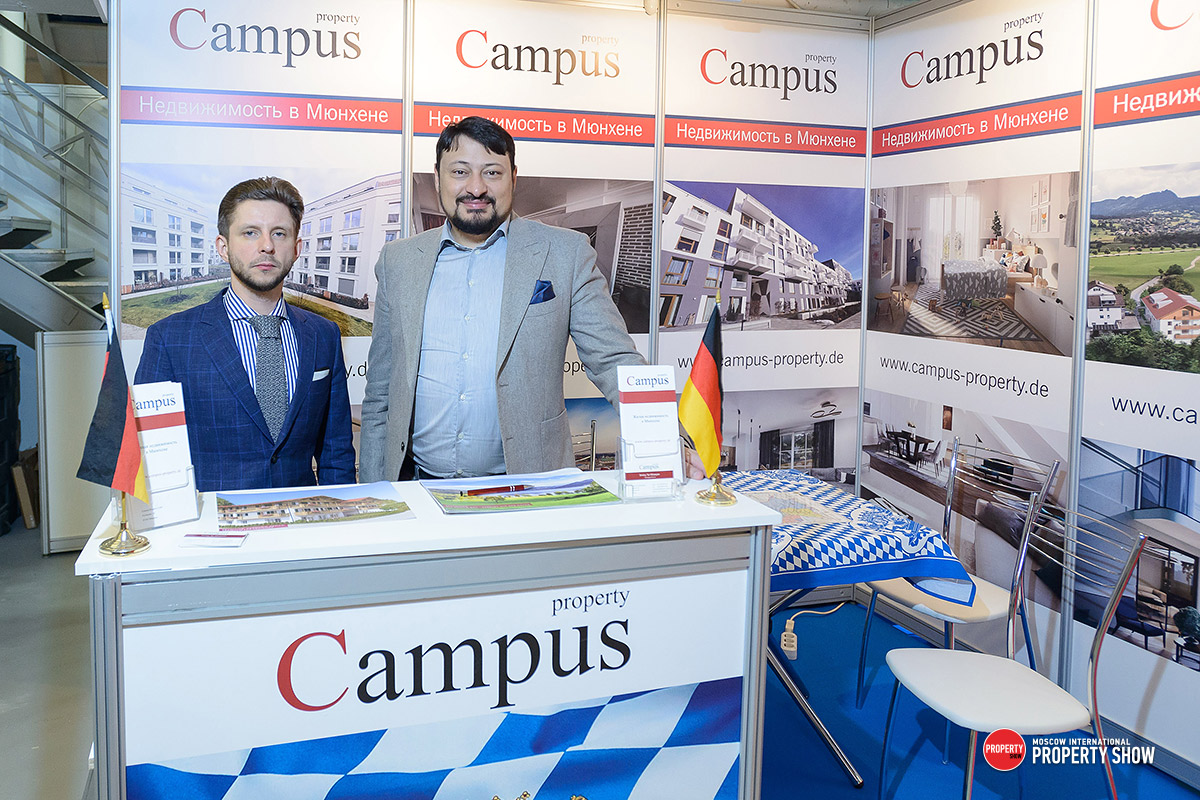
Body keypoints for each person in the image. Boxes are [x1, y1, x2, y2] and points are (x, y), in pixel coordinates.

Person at [360, 116, 658, 481]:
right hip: (418, 484)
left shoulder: (565, 253)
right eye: (460, 172)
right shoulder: (399, 261)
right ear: (438, 178)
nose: (476, 188)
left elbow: (613, 359)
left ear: (513, 178)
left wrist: (671, 437)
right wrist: (374, 488)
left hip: (527, 486)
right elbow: (381, 391)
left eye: (492, 173)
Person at [134, 177, 355, 491]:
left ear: (296, 248)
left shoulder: (323, 335)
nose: (267, 245)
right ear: (223, 247)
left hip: (302, 517)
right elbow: (152, 457)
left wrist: (340, 515)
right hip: (213, 518)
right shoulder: (169, 339)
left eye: (279, 233)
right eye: (250, 232)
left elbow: (337, 453)